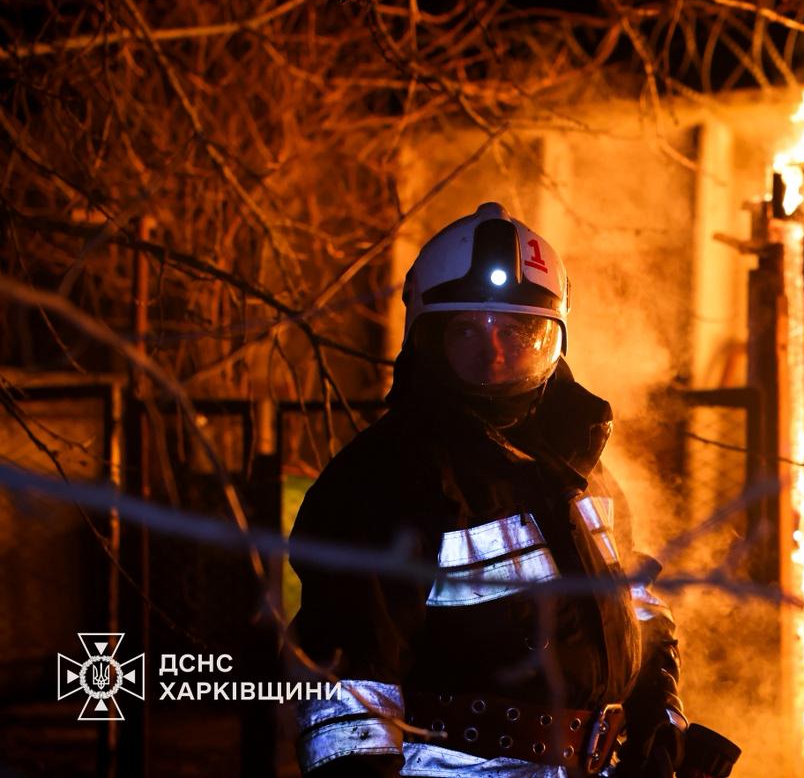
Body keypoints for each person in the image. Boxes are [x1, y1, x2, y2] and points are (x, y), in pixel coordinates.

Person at [288, 203, 686, 778]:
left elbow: (638, 603)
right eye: (467, 330)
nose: (493, 353)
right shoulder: (384, 480)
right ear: (426, 339)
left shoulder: (577, 464)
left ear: (555, 341)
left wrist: (658, 709)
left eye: (519, 331)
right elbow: (345, 700)